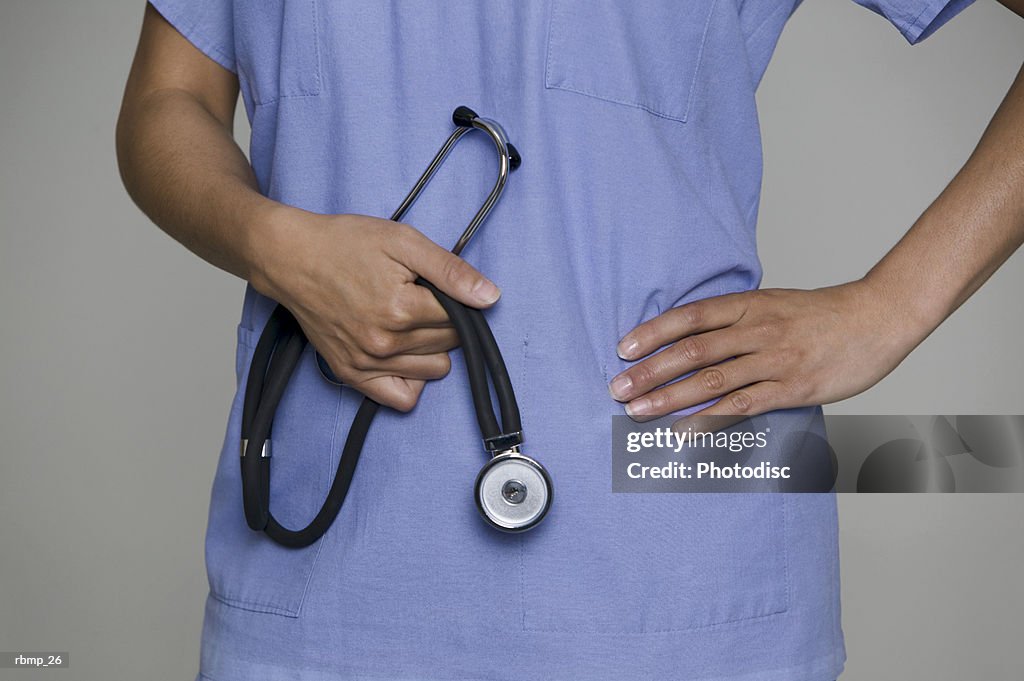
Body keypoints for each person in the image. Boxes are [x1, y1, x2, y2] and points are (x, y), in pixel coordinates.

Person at [116, 1, 1024, 679]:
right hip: (332, 570)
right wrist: (276, 245)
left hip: (686, 571)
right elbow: (168, 99)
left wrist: (886, 309)